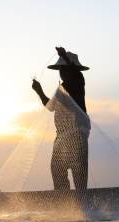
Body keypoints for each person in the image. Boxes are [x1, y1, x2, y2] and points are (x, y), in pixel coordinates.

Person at [31, 47, 91, 191]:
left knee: (79, 173)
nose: (62, 72)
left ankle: (81, 203)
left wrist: (64, 56)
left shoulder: (78, 82)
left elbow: (75, 73)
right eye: (61, 69)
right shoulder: (61, 88)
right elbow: (51, 107)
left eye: (64, 69)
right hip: (62, 135)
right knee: (57, 169)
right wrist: (39, 91)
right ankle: (64, 201)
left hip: (77, 133)